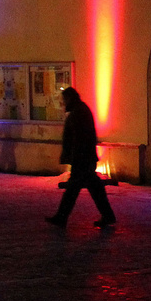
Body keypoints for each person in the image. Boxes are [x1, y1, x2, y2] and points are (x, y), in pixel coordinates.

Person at [46, 87, 115, 228]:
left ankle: (62, 217)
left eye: (64, 99)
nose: (63, 103)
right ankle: (107, 216)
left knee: (73, 189)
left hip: (82, 159)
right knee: (94, 189)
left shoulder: (78, 113)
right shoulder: (80, 110)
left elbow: (79, 138)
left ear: (70, 98)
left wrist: (75, 157)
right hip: (85, 158)